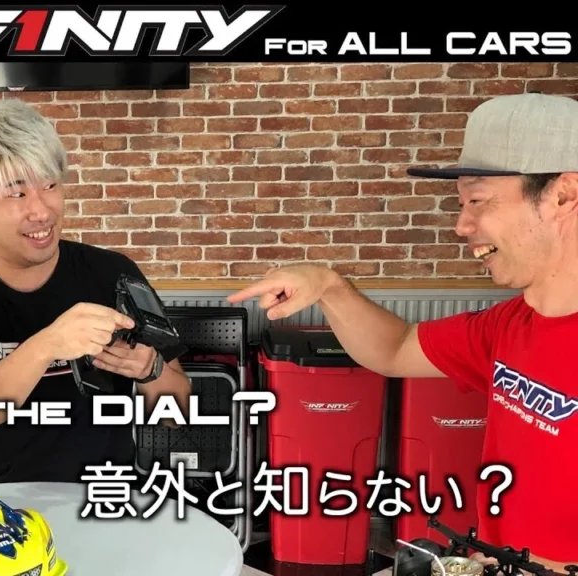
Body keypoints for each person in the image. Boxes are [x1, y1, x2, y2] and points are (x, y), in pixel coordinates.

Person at [228, 93, 577, 572]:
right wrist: (329, 286)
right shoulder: (509, 325)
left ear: (563, 195)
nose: (462, 226)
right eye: (461, 204)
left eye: (478, 200)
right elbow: (395, 349)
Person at [0, 98, 192, 485]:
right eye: (17, 194)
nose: (42, 211)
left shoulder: (113, 274)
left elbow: (178, 410)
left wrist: (150, 370)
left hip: (103, 496)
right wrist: (48, 344)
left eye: (50, 185)